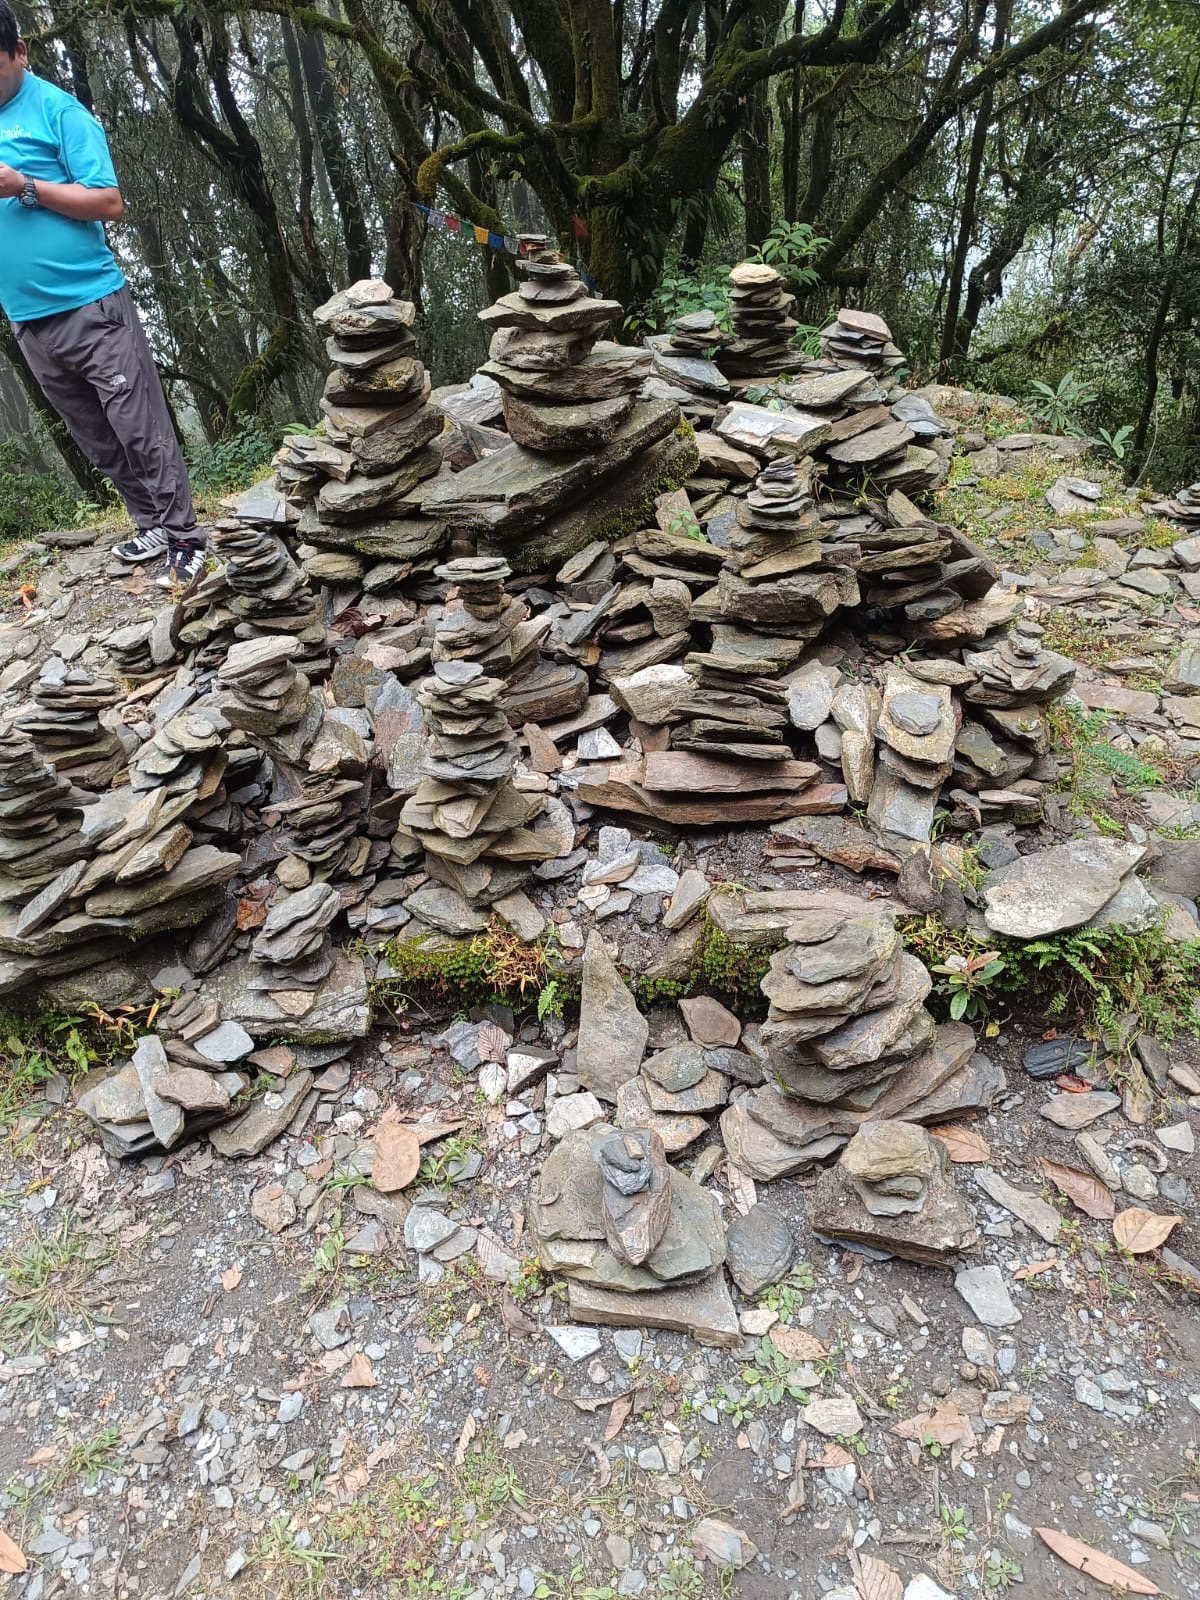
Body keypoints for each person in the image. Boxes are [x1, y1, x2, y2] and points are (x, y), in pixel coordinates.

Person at [0, 0, 205, 585]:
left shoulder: (58, 111)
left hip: (89, 304)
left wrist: (26, 186)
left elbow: (109, 201)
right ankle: (152, 524)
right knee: (96, 437)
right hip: (28, 318)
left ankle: (186, 539)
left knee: (140, 429)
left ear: (20, 52)